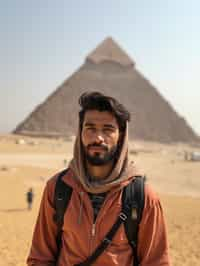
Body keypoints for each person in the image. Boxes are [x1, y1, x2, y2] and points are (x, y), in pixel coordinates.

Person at [27, 91, 170, 265]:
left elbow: (156, 262)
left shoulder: (143, 197)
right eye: (90, 128)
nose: (98, 138)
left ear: (121, 136)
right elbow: (41, 257)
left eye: (108, 130)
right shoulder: (58, 188)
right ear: (80, 133)